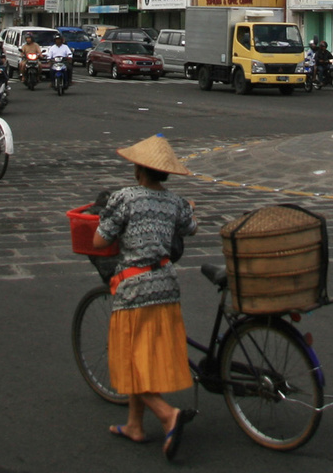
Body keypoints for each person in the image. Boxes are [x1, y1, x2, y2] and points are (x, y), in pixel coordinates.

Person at [92, 135, 200, 458]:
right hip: (167, 286)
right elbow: (191, 227)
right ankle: (134, 425)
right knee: (144, 357)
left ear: (138, 169)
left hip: (134, 289)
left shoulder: (124, 198)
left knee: (128, 360)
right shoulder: (175, 202)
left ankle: (168, 415)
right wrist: (188, 209)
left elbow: (99, 242)